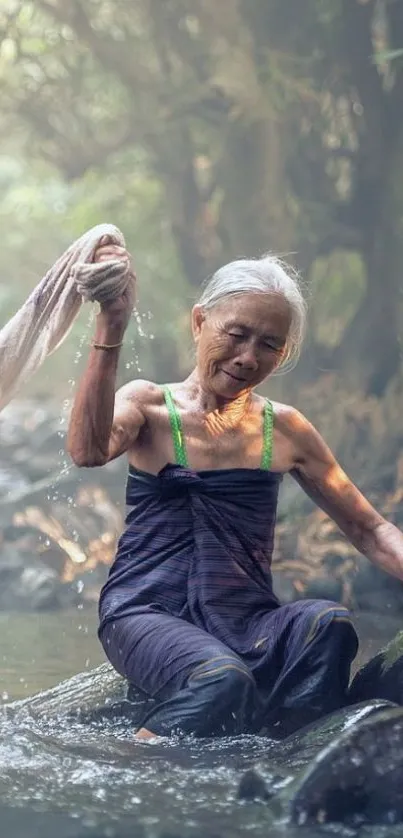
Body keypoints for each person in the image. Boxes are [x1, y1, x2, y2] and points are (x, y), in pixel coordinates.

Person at [67, 242, 403, 741]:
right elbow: (87, 450)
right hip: (145, 613)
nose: (248, 357)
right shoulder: (148, 405)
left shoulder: (284, 429)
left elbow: (369, 528)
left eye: (269, 344)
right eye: (237, 334)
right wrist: (112, 324)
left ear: (284, 352)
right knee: (220, 679)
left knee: (329, 624)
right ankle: (137, 763)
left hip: (245, 617)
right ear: (200, 322)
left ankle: (291, 750)